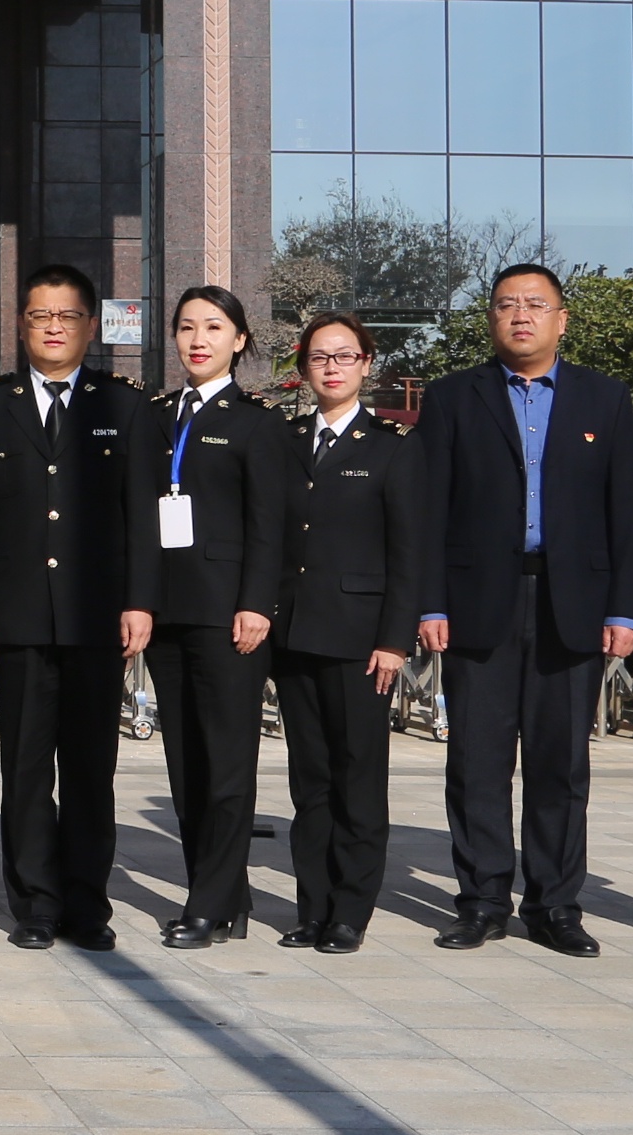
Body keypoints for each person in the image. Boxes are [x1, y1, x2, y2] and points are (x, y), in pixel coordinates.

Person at [418, 263, 633, 958]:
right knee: (476, 761)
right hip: (477, 601)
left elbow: (628, 514)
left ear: (561, 319)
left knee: (560, 764)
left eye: (535, 304)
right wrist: (430, 601)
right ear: (490, 317)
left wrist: (626, 610)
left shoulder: (604, 399)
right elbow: (429, 509)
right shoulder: (453, 397)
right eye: (506, 304)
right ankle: (483, 901)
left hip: (570, 602)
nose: (521, 315)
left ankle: (555, 905)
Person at [0, 263, 142, 953]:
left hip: (98, 617)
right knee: (26, 768)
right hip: (20, 614)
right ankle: (36, 903)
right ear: (22, 325)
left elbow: (142, 518)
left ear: (90, 326)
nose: (54, 327)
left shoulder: (123, 406)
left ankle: (87, 904)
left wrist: (140, 601)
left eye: (67, 316)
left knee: (93, 770)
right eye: (40, 315)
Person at [126, 283, 291, 949]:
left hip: (229, 615)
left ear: (239, 339)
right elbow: (139, 519)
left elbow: (269, 525)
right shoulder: (155, 415)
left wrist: (256, 602)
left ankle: (207, 903)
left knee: (227, 764)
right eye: (188, 327)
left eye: (214, 327)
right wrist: (138, 601)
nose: (199, 339)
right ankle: (226, 897)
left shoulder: (258, 421)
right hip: (168, 612)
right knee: (186, 763)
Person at [272, 312, 421, 953]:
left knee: (357, 775)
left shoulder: (393, 444)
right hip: (294, 631)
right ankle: (312, 906)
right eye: (318, 357)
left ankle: (350, 911)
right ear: (304, 367)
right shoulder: (285, 439)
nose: (331, 367)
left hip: (361, 639)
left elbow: (409, 552)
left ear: (366, 363)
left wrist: (394, 640)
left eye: (344, 356)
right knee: (309, 780)